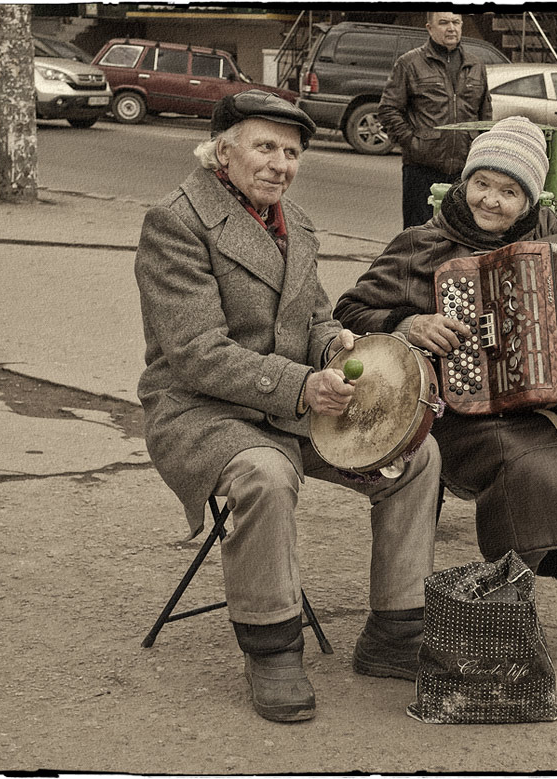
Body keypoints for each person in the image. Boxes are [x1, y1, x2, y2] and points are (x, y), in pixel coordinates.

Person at [335, 116, 557, 688]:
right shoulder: (419, 245)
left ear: (529, 200)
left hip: (556, 410)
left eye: (510, 191)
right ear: (464, 181)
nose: (492, 201)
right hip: (460, 413)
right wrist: (408, 322)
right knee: (532, 463)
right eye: (483, 184)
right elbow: (348, 315)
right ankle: (503, 617)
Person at [134, 90, 441, 723]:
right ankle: (273, 649)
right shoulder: (176, 220)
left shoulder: (294, 222)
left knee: (418, 452)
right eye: (265, 146)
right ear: (223, 152)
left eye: (292, 152)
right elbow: (195, 354)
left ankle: (395, 631)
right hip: (200, 411)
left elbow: (315, 320)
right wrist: (304, 385)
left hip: (289, 400)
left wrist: (337, 342)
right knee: (266, 473)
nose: (280, 163)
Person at [377, 10, 492, 229]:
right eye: (444, 22)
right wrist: (413, 143)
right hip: (422, 169)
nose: (451, 28)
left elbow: (485, 115)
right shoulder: (409, 63)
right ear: (429, 28)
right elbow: (388, 109)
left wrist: (481, 152)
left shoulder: (476, 65)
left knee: (462, 233)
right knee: (419, 235)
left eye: (456, 22)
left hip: (465, 171)